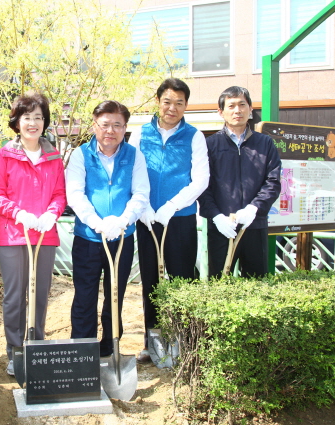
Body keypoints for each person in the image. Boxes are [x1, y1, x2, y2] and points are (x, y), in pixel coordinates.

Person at [129, 78, 209, 364]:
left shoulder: (194, 136)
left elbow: (201, 180)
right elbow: (133, 172)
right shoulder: (141, 134)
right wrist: (144, 208)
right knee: (151, 278)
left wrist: (173, 206)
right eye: (167, 101)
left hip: (181, 219)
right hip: (147, 218)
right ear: (158, 101)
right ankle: (153, 343)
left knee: (182, 277)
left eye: (179, 102)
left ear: (186, 105)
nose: (172, 108)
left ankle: (185, 342)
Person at [0, 92, 66, 376]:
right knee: (15, 295)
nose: (33, 123)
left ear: (44, 122)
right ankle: (15, 351)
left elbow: (60, 194)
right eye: (27, 117)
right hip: (13, 235)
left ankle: (37, 347)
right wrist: (18, 212)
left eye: (38, 117)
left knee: (41, 294)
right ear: (17, 122)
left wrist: (51, 214)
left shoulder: (54, 156)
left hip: (45, 236)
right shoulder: (5, 155)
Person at [66, 100, 149, 358]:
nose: (110, 131)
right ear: (94, 126)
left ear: (125, 128)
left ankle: (110, 347)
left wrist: (122, 221)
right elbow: (75, 195)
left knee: (115, 294)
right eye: (104, 125)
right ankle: (82, 351)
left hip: (122, 239)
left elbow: (141, 193)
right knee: (85, 295)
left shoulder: (134, 155)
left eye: (117, 125)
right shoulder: (80, 154)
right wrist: (97, 222)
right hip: (88, 238)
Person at [199, 86, 281, 278]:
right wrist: (216, 216)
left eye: (242, 105)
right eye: (231, 106)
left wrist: (254, 209)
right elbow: (202, 186)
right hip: (221, 227)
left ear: (250, 109)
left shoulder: (265, 143)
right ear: (221, 112)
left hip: (255, 225)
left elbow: (273, 181)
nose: (237, 110)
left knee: (256, 283)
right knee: (219, 282)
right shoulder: (210, 145)